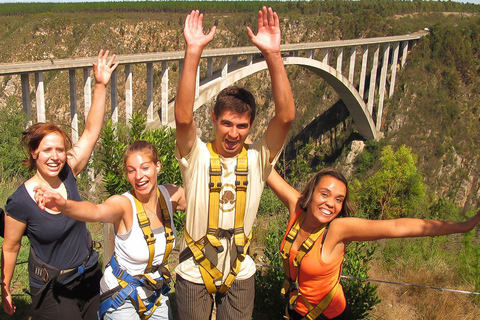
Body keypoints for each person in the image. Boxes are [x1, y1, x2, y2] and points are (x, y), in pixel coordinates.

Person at [174, 6, 295, 320]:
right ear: (214, 118)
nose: (233, 133)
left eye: (242, 126)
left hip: (240, 270)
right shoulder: (197, 156)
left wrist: (273, 54)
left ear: (251, 126)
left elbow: (286, 117)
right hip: (193, 269)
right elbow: (184, 117)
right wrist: (193, 51)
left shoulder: (258, 159)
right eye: (227, 123)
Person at [266, 167, 480, 320]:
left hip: (328, 315)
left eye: (339, 199)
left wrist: (464, 226)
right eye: (325, 194)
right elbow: (264, 166)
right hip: (295, 309)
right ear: (311, 192)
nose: (330, 204)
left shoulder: (337, 230)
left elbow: (397, 227)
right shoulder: (296, 209)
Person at [1, 49, 117, 320]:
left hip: (88, 277)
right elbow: (10, 247)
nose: (54, 157)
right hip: (53, 288)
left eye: (60, 149)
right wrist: (5, 286)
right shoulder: (20, 201)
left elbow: (91, 132)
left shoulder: (68, 172)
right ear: (34, 153)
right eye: (46, 150)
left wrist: (101, 85)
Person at [33, 140, 186, 320]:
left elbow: (204, 201)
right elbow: (96, 211)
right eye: (131, 170)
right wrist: (63, 204)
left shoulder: (171, 196)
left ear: (157, 166)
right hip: (122, 297)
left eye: (145, 168)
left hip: (155, 293)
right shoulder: (123, 205)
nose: (139, 176)